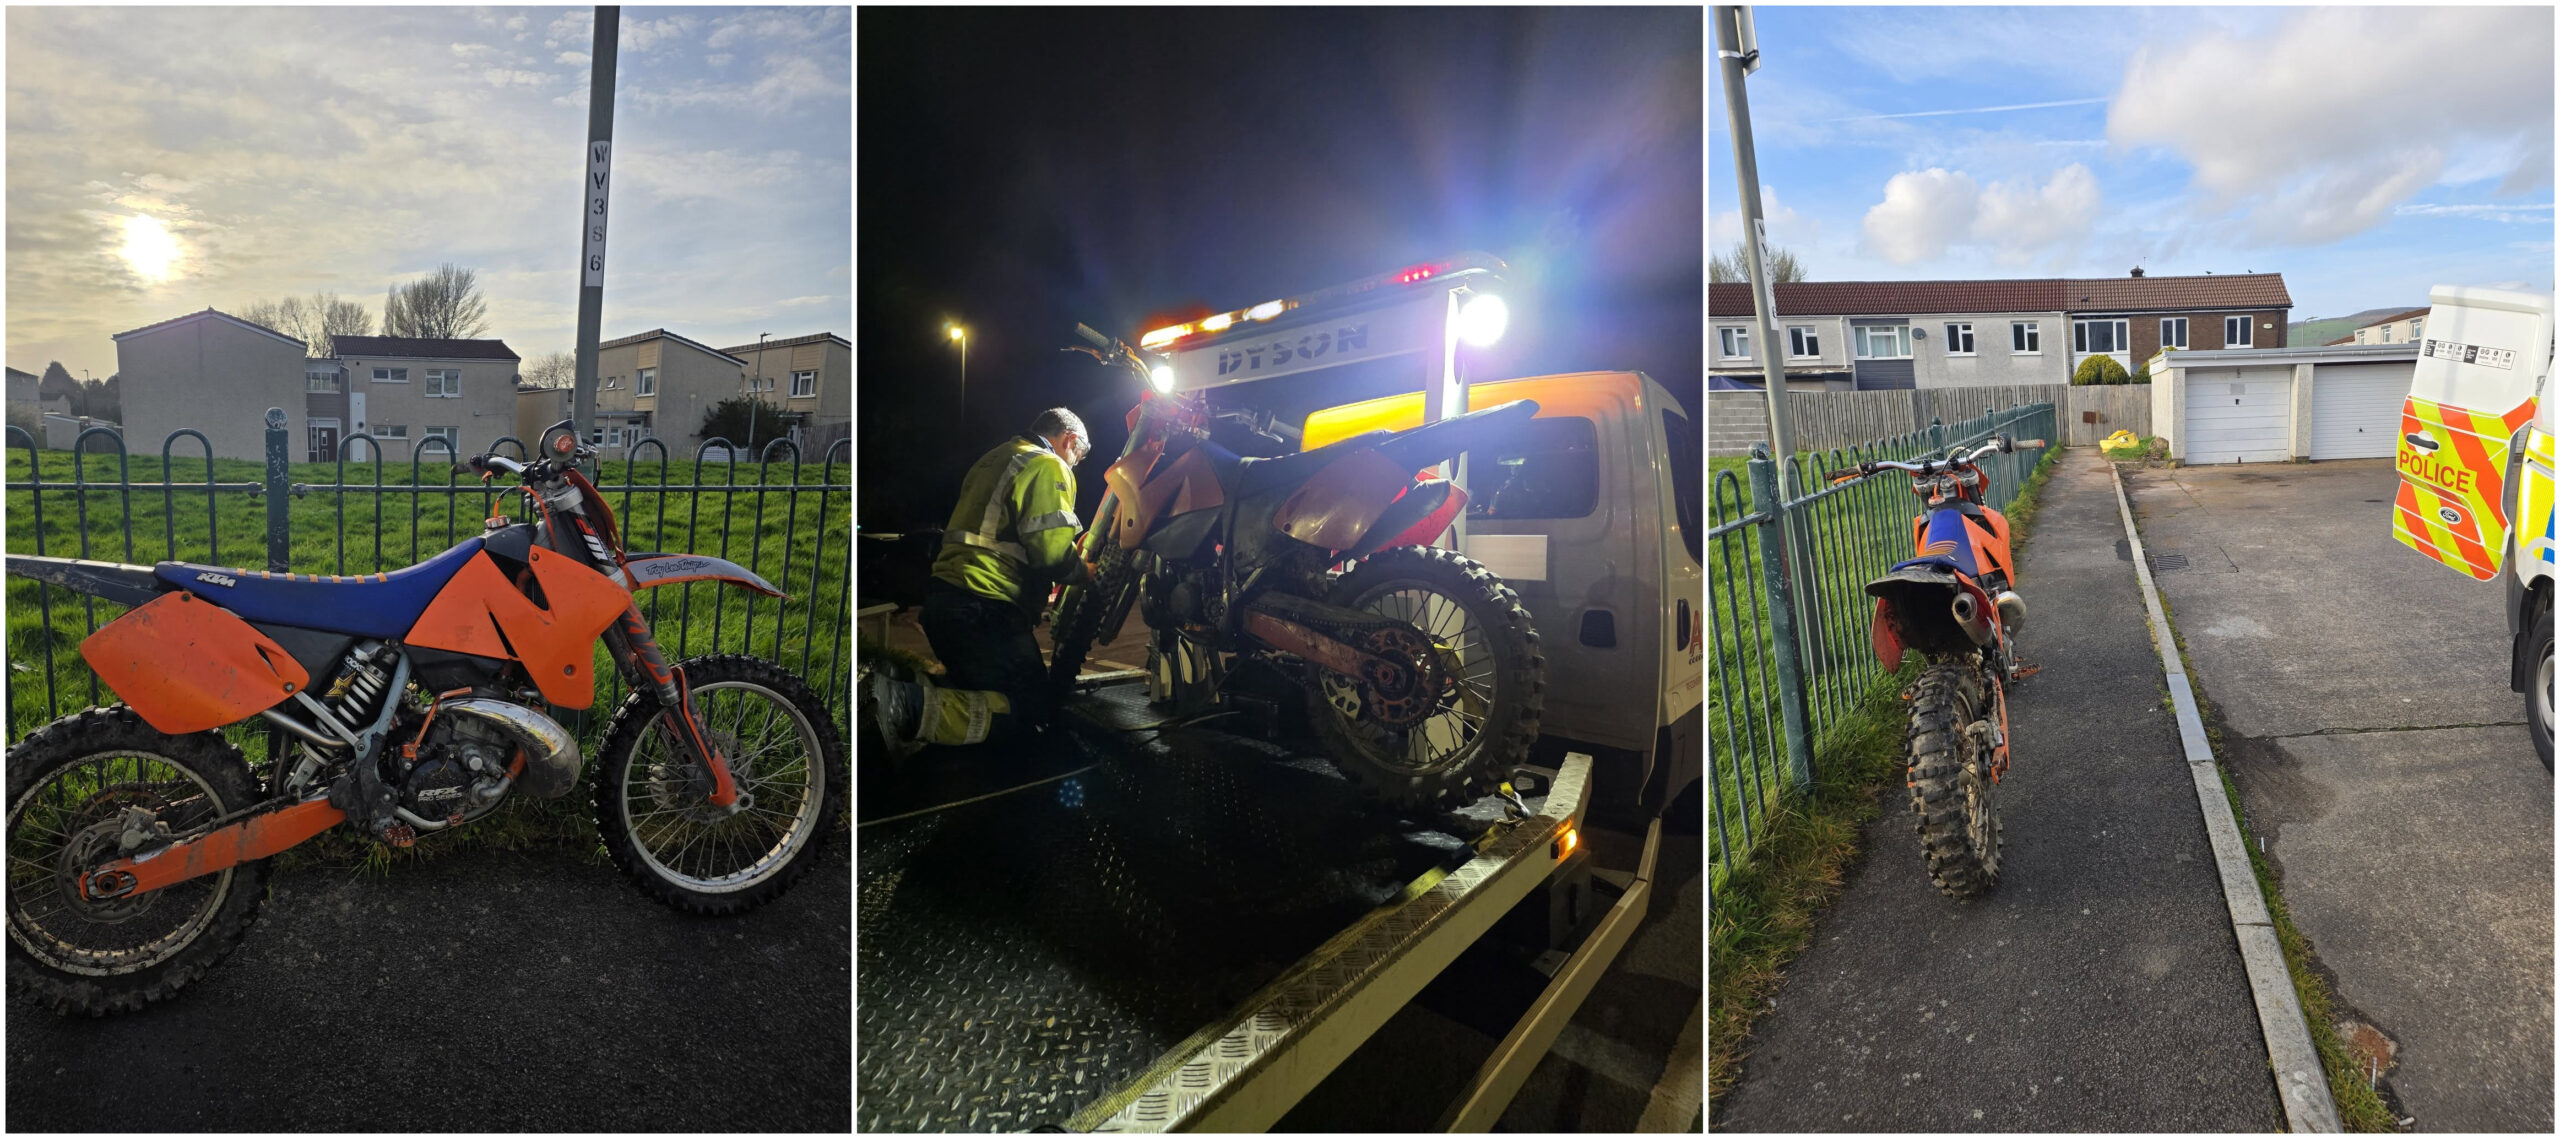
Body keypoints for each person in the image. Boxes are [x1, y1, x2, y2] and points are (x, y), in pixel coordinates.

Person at [868, 408, 1095, 753]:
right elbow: (1050, 552)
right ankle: (901, 702)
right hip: (986, 606)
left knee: (977, 692)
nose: (1073, 465)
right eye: (1077, 457)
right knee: (1033, 707)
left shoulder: (995, 458)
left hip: (947, 600)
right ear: (1070, 440)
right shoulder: (1048, 464)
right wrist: (1083, 571)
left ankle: (899, 682)